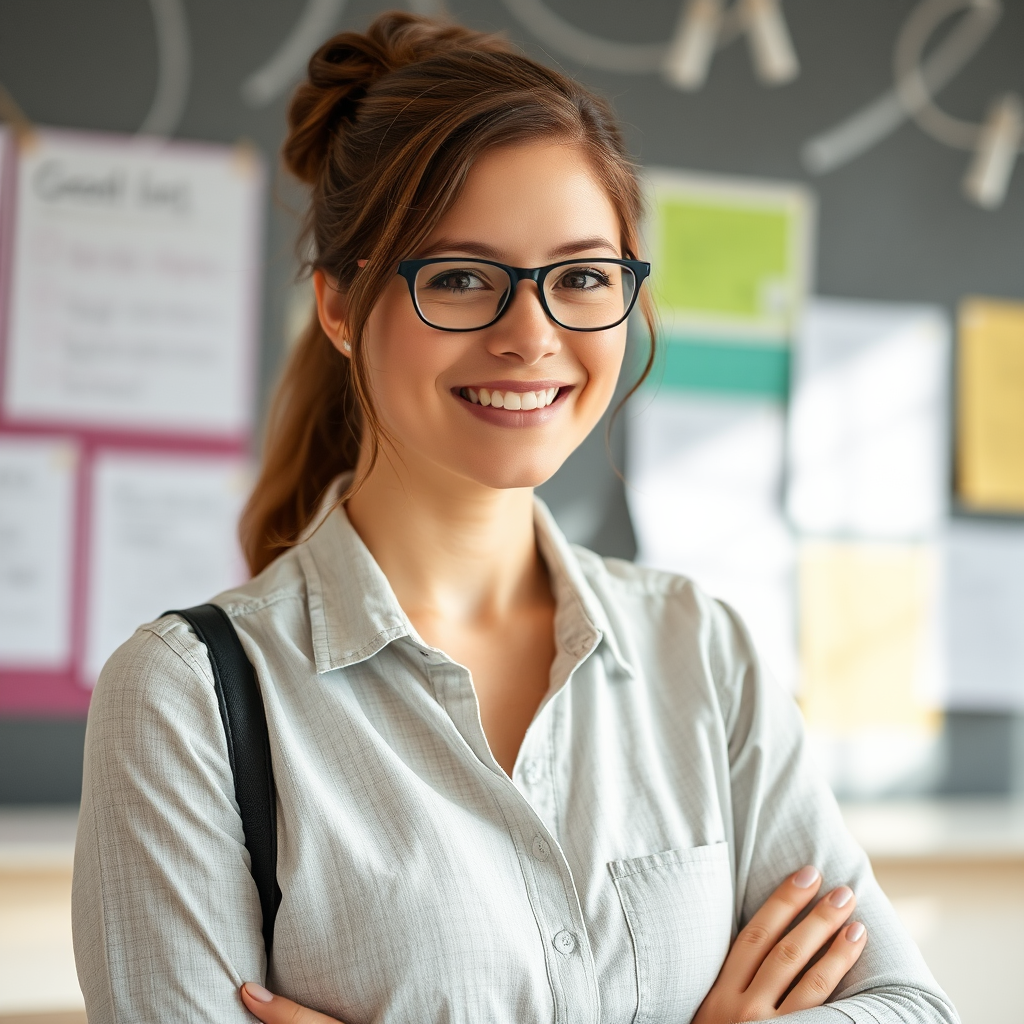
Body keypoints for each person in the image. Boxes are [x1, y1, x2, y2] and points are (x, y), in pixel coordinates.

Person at [72, 12, 958, 1024]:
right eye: (459, 278)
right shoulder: (185, 703)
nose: (531, 336)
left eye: (582, 276)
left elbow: (911, 1010)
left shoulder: (701, 655)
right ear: (338, 306)